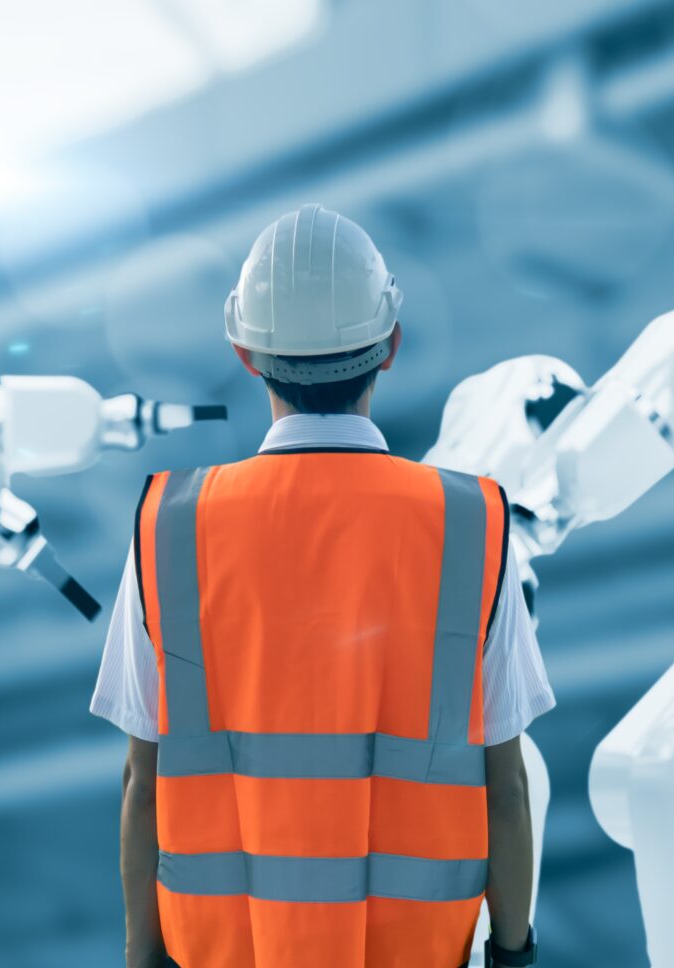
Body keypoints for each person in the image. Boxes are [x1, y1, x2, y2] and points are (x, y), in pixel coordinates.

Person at [91, 204, 553, 968]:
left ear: (244, 352)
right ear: (392, 344)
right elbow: (504, 789)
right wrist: (512, 954)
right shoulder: (473, 524)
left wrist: (144, 959)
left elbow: (144, 783)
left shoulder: (169, 526)